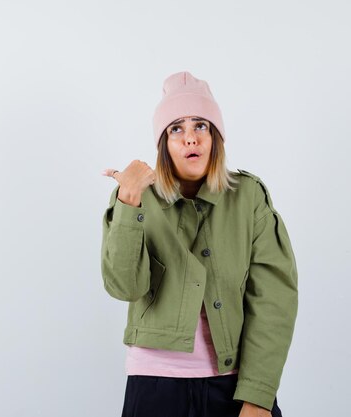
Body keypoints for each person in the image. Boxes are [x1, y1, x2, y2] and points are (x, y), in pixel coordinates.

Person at [100, 71, 298, 417]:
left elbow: (273, 298)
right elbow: (124, 287)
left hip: (235, 385)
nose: (190, 138)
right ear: (163, 143)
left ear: (215, 137)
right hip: (155, 386)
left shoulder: (248, 196)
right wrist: (129, 200)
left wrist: (258, 395)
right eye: (176, 128)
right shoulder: (136, 196)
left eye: (200, 126)